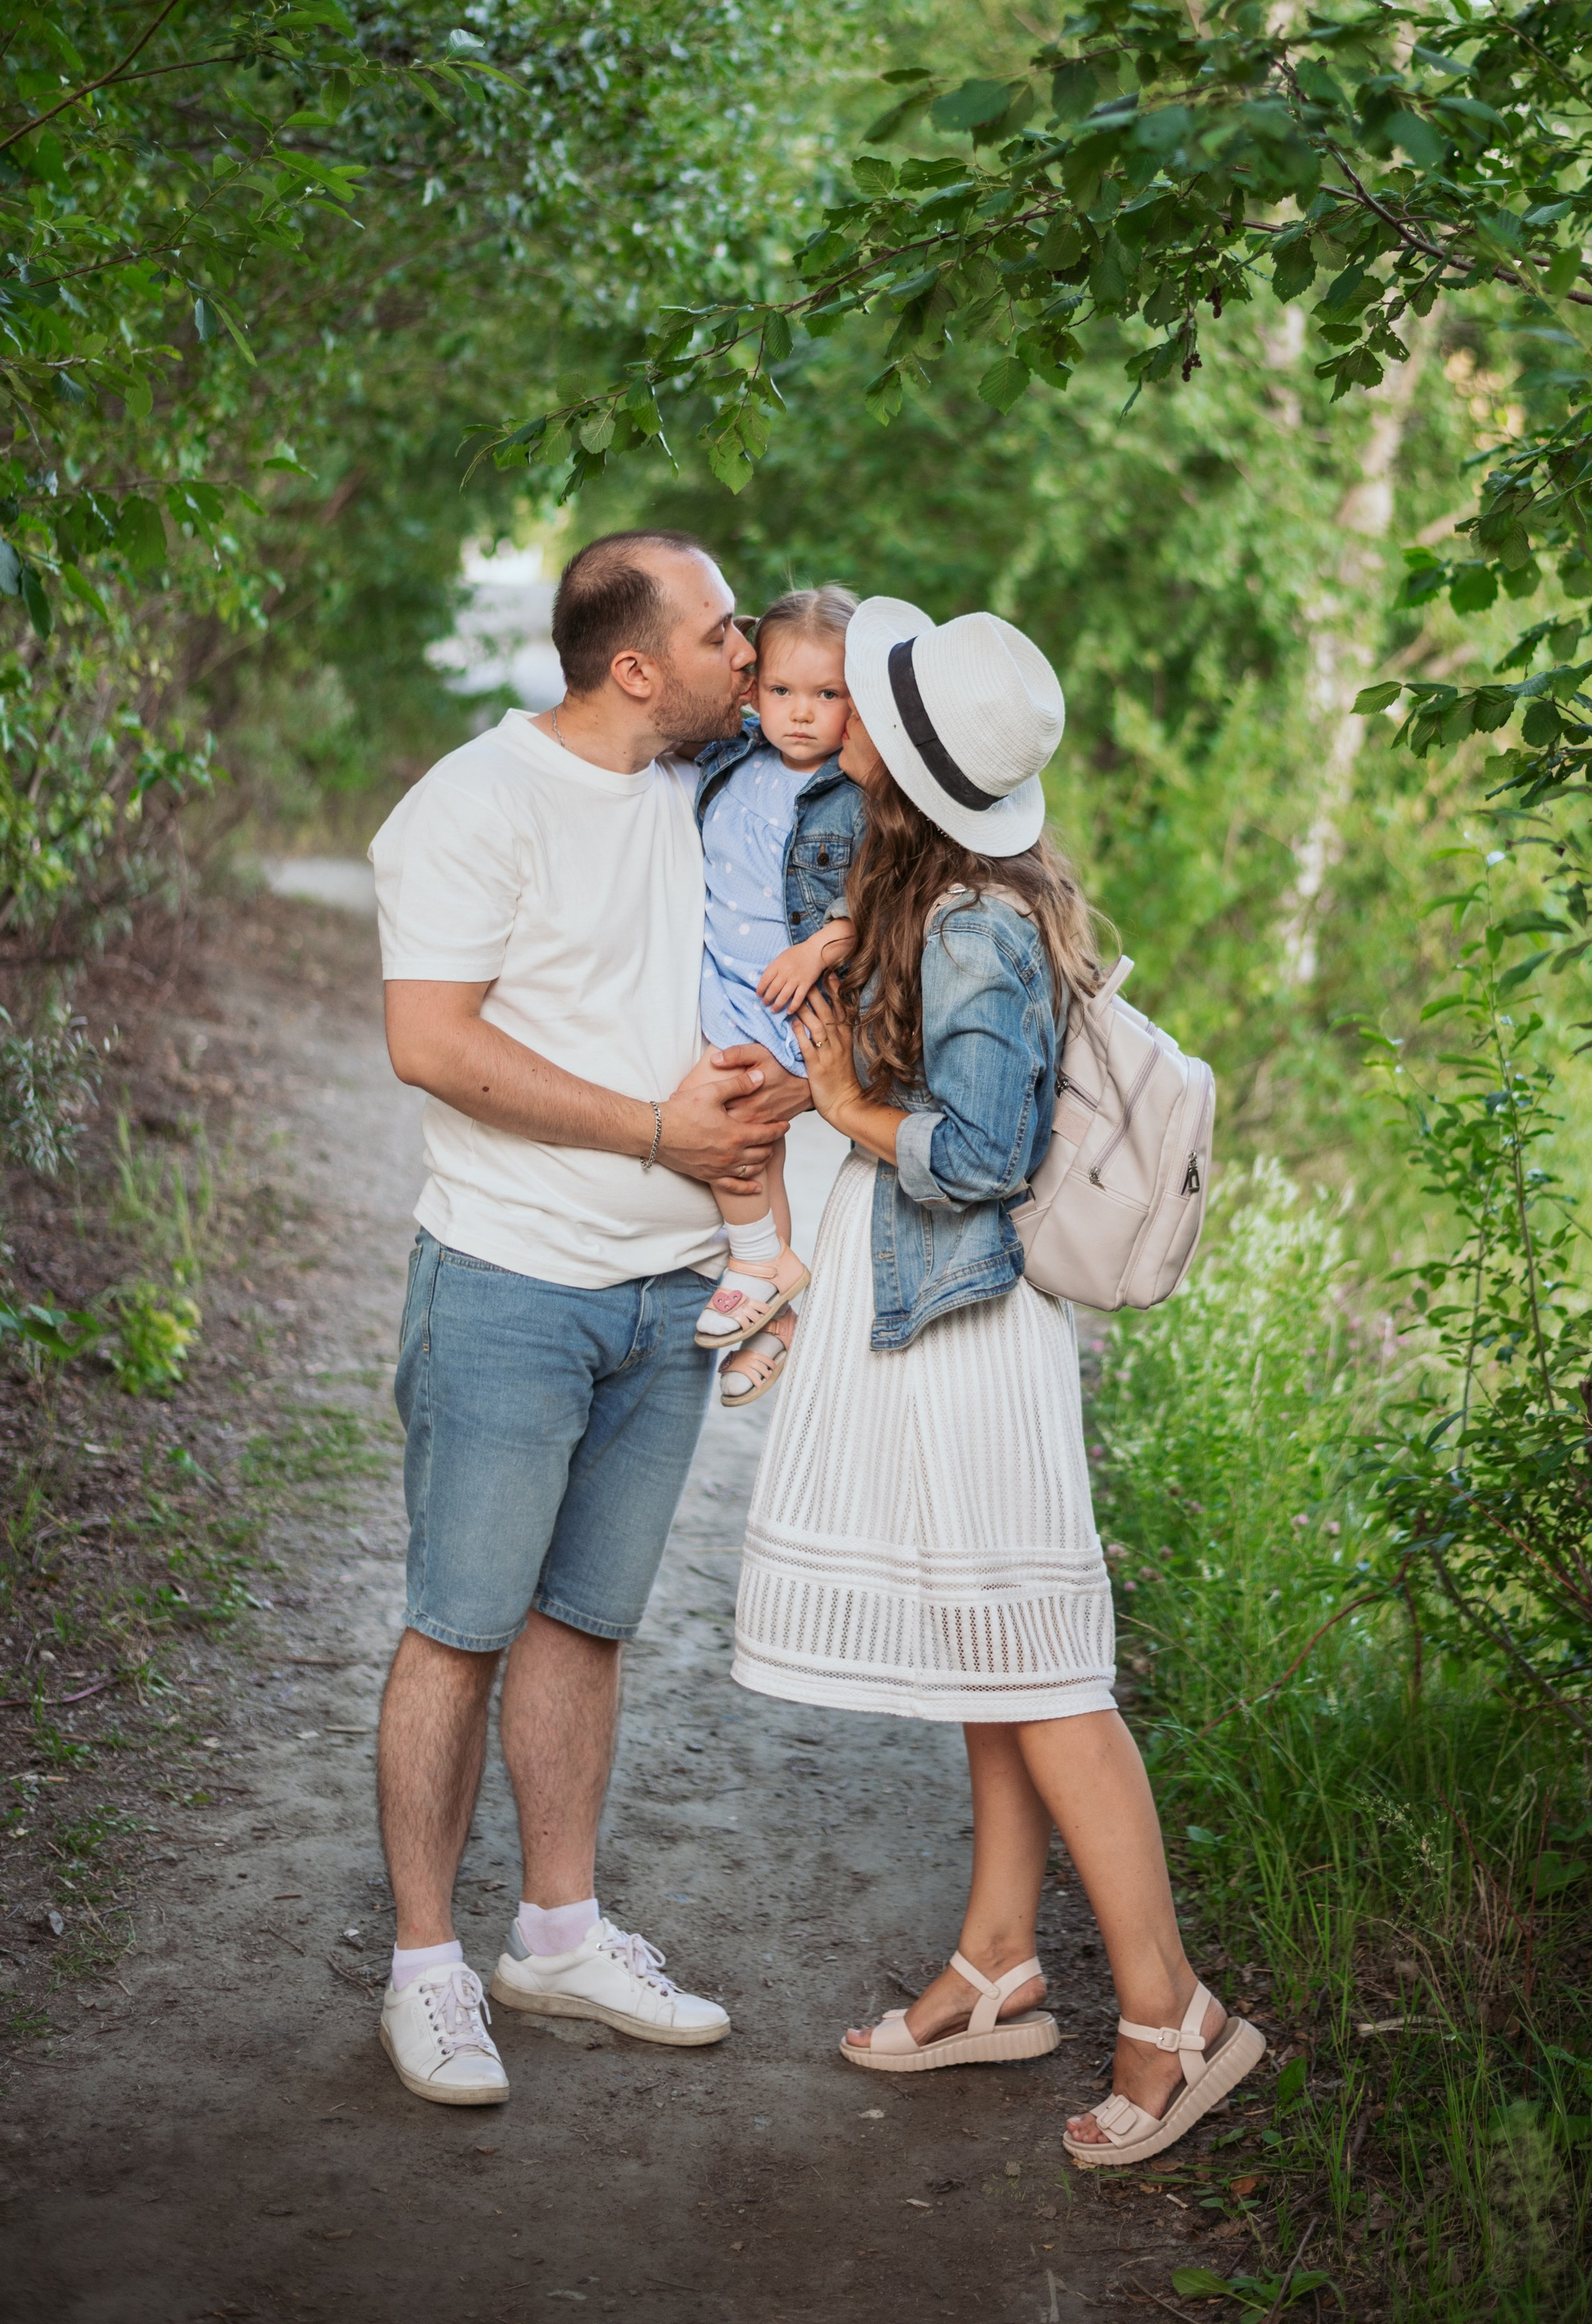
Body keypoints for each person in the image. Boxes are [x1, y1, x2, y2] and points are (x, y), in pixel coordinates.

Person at [730, 596, 1264, 2168]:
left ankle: (1175, 2013)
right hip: (939, 1329)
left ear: (901, 758)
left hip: (974, 1335)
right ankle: (996, 1963)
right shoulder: (941, 888)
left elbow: (979, 1154)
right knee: (992, 1658)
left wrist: (840, 1097)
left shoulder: (969, 921)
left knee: (1040, 1670)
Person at [367, 529, 809, 2108]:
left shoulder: (701, 789)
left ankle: (554, 1935)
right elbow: (428, 1041)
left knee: (585, 1627)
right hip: (507, 1282)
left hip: (667, 1293)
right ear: (634, 667)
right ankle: (425, 1969)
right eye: (716, 634)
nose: (743, 653)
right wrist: (653, 1130)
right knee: (459, 1627)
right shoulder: (473, 806)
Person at [689, 584, 865, 1409]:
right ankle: (777, 1312)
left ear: (855, 703)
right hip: (720, 973)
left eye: (826, 695)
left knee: (741, 1118)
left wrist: (821, 945)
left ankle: (761, 1259)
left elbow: (886, 896)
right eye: (783, 691)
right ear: (752, 691)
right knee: (753, 1134)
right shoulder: (731, 756)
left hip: (789, 994)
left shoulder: (857, 792)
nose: (801, 714)